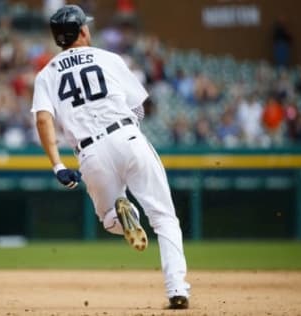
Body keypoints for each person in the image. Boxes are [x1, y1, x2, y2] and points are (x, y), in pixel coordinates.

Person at [31, 5, 190, 309]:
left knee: (107, 219)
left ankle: (121, 214)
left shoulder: (46, 74)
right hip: (125, 135)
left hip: (89, 152)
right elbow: (143, 105)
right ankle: (177, 289)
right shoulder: (108, 58)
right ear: (82, 31)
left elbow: (42, 120)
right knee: (164, 218)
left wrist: (58, 165)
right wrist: (127, 130)